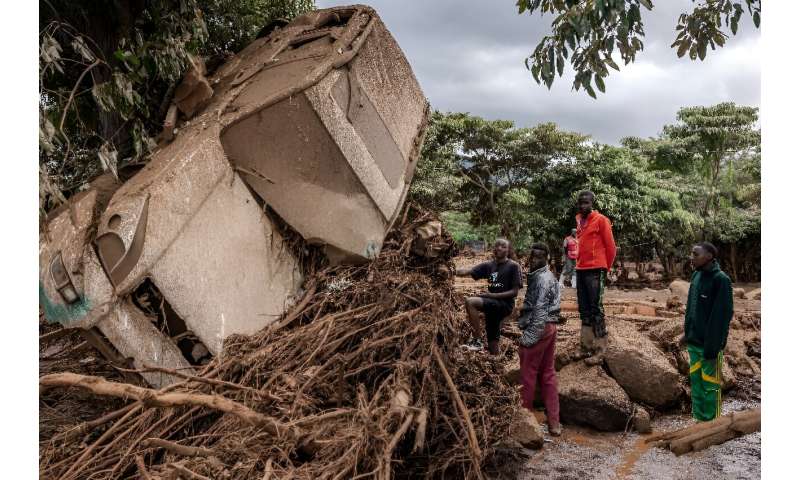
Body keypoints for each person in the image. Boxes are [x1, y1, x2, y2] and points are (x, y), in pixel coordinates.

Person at [683, 242, 734, 422]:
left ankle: (712, 423)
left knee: (710, 385)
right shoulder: (696, 276)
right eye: (692, 253)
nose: (692, 257)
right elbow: (691, 308)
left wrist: (713, 348)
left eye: (696, 254)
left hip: (709, 346)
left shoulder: (721, 280)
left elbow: (722, 317)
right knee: (696, 382)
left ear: (709, 257)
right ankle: (698, 418)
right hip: (693, 342)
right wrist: (686, 333)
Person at [517, 243, 562, 436]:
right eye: (533, 257)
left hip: (540, 327)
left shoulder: (543, 279)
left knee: (528, 375)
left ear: (547, 259)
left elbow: (540, 309)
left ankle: (525, 421)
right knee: (548, 374)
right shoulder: (549, 276)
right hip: (550, 327)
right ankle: (554, 423)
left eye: (539, 257)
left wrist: (528, 338)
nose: (534, 260)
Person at [456, 238, 523, 355]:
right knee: (492, 342)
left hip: (504, 304)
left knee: (470, 302)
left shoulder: (513, 266)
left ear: (508, 250)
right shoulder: (489, 265)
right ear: (494, 248)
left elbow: (514, 292)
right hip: (492, 306)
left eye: (503, 246)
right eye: (497, 245)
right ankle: (498, 366)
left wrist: (491, 295)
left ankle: (477, 340)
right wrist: (451, 270)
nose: (499, 248)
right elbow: (467, 271)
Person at [574, 191, 616, 365]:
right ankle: (585, 347)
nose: (583, 206)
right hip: (581, 269)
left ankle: (600, 350)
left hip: (596, 269)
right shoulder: (579, 222)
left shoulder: (601, 220)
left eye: (586, 203)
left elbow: (611, 246)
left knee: (596, 308)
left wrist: (606, 267)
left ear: (592, 203)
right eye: (580, 203)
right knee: (584, 309)